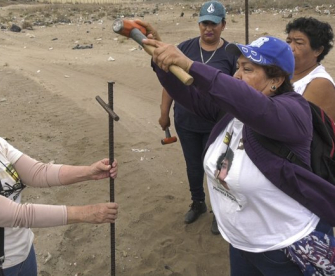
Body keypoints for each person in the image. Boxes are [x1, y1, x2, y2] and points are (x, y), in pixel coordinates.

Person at [136, 20, 335, 275]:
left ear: (275, 80)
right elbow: (189, 96)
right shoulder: (230, 111)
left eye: (248, 69)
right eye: (238, 67)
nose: (237, 75)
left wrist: (191, 66)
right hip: (241, 243)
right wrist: (160, 57)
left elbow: (255, 108)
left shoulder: (293, 111)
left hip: (283, 247)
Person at [0, 79, 119, 276]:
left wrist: (89, 171)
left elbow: (38, 172)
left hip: (23, 256)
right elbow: (19, 215)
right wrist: (86, 213)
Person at [158, 0, 236, 233]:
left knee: (218, 170)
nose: (208, 29)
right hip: (187, 122)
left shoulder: (231, 53)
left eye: (213, 24)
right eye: (204, 24)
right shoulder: (184, 48)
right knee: (193, 167)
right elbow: (170, 84)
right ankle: (198, 203)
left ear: (223, 24)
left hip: (218, 126)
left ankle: (218, 212)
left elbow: (239, 91)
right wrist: (164, 113)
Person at [285, 17, 335, 121]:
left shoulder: (320, 83)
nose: (290, 48)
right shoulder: (282, 73)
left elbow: (298, 126)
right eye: (288, 41)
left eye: (298, 43)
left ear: (317, 50)